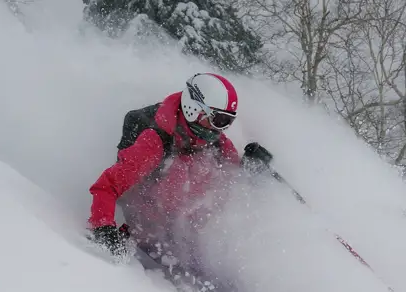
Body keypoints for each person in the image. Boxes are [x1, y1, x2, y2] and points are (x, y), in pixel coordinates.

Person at [87, 72, 270, 259]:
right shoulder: (155, 141)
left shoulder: (212, 139)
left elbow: (233, 175)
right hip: (150, 230)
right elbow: (107, 187)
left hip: (186, 232)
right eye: (217, 119)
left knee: (210, 171)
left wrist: (253, 167)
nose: (220, 129)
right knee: (181, 169)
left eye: (227, 122)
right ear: (194, 108)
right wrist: (104, 228)